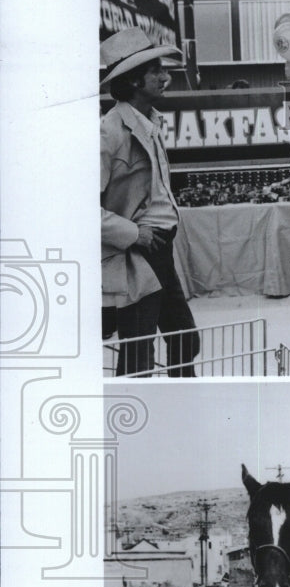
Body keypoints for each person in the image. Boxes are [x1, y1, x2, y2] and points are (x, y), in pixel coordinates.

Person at [100, 27, 199, 377]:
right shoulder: (109, 132)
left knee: (185, 338)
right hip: (135, 252)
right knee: (138, 347)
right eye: (156, 69)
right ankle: (141, 420)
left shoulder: (150, 123)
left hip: (159, 246)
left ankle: (181, 406)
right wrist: (132, 233)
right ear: (135, 80)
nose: (165, 75)